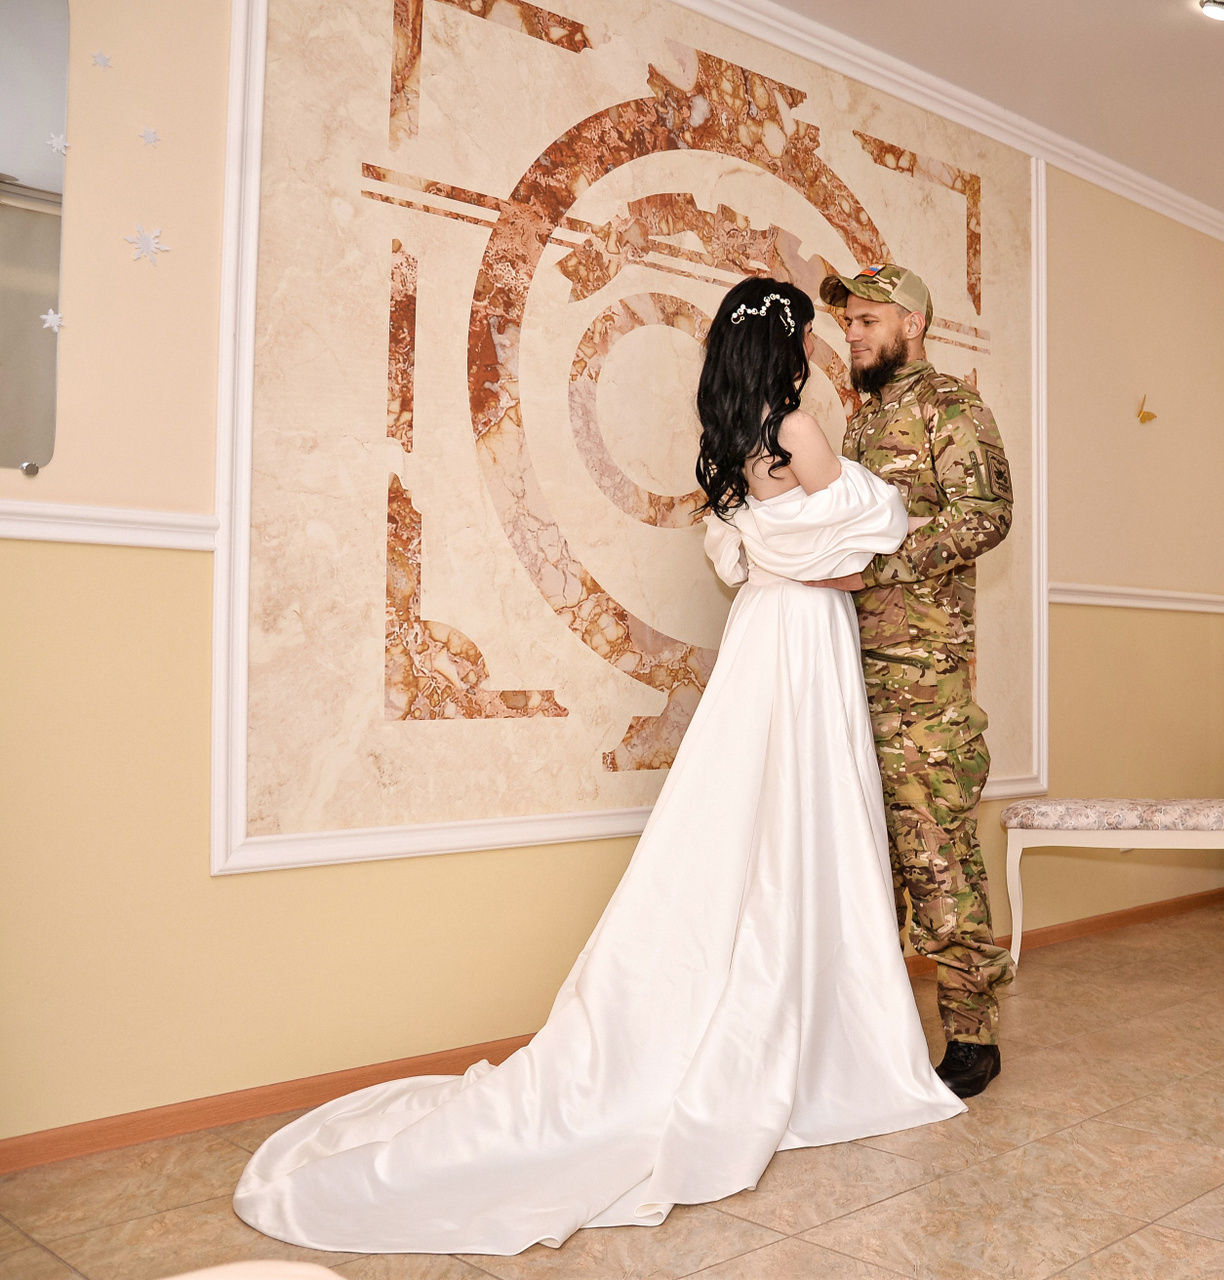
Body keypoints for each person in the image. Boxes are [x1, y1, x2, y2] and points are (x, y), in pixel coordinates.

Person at [229, 278, 963, 1255]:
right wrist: (841, 550)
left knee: (753, 814)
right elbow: (866, 538)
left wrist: (799, 557)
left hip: (765, 633)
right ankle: (833, 1041)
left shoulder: (735, 434)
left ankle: (771, 1007)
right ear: (788, 348)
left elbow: (763, 552)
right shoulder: (796, 427)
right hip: (804, 636)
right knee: (807, 815)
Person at [809, 265, 1015, 1098]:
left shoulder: (951, 408)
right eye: (847, 322)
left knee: (938, 857)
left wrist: (878, 569)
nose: (853, 333)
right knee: (868, 859)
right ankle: (877, 1031)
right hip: (852, 675)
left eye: (867, 320)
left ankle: (972, 1035)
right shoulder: (860, 421)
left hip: (925, 683)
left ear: (912, 324)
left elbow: (986, 516)